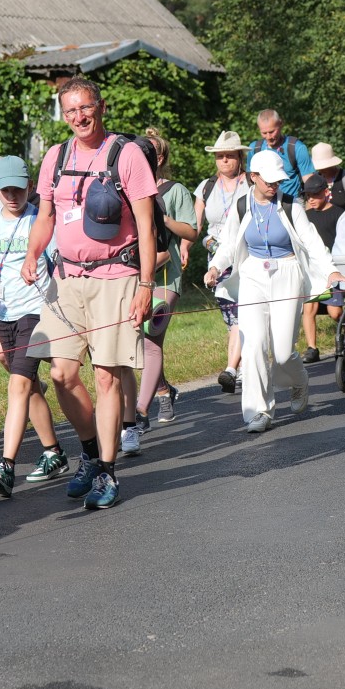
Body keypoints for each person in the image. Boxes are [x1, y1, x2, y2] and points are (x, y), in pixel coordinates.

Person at [20, 76, 158, 512]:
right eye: (71, 110)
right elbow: (45, 217)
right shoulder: (55, 157)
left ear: (101, 107)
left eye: (85, 107)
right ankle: (91, 452)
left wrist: (146, 285)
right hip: (66, 279)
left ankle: (107, 473)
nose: (79, 117)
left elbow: (147, 225)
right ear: (63, 115)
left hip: (116, 277)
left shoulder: (126, 154)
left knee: (106, 377)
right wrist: (32, 253)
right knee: (61, 373)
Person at [205, 151, 344, 432]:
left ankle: (299, 380)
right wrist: (216, 267)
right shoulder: (242, 205)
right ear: (253, 177)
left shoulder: (291, 205)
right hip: (253, 275)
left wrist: (331, 270)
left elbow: (311, 241)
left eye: (278, 181)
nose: (274, 186)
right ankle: (259, 412)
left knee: (282, 352)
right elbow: (228, 243)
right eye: (269, 181)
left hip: (287, 274)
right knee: (253, 344)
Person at [0, 157, 70, 497]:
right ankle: (54, 452)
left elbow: (60, 264)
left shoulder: (40, 220)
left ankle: (6, 466)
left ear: (30, 187)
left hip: (36, 311)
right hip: (4, 314)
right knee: (27, 386)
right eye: (6, 190)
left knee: (18, 385)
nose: (13, 196)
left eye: (19, 189)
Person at [125, 130, 195, 452]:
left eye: (148, 153)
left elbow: (191, 232)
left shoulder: (175, 190)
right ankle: (164, 390)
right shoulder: (127, 187)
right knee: (139, 341)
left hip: (166, 278)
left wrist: (163, 219)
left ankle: (140, 412)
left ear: (160, 158)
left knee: (152, 338)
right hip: (133, 275)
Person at [195, 131, 249, 394]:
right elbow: (196, 226)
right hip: (218, 257)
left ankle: (232, 368)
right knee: (230, 315)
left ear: (240, 157)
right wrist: (184, 247)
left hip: (246, 254)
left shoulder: (252, 183)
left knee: (242, 313)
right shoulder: (206, 187)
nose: (224, 160)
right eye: (220, 156)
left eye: (229, 155)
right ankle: (243, 366)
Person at [300, 141, 345, 359]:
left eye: (315, 195)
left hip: (333, 267)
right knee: (309, 308)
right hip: (313, 269)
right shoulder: (305, 216)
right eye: (308, 196)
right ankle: (312, 348)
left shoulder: (339, 214)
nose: (311, 200)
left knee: (335, 312)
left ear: (326, 192)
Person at [249, 109, 313, 199]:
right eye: (264, 133)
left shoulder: (296, 147)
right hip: (263, 202)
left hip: (291, 201)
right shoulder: (254, 149)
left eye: (272, 132)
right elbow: (251, 180)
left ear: (280, 124)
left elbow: (309, 180)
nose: (268, 137)